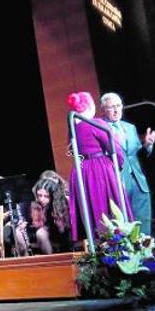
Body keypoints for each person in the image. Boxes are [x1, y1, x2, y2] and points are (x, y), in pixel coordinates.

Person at [67, 91, 133, 242]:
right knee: (109, 208)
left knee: (91, 210)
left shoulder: (72, 127)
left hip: (81, 170)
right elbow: (115, 150)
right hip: (100, 170)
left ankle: (98, 245)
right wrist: (118, 165)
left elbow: (70, 151)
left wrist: (83, 162)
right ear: (90, 106)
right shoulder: (96, 123)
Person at [101, 92, 155, 235]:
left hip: (138, 181)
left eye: (118, 106)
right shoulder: (100, 128)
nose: (116, 110)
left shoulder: (130, 127)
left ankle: (146, 253)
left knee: (143, 223)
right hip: (118, 181)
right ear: (103, 109)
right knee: (123, 224)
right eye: (111, 107)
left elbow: (137, 154)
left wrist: (147, 145)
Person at [14, 176, 71, 255]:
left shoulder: (61, 203)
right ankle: (26, 258)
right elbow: (29, 221)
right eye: (39, 195)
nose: (41, 199)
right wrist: (22, 223)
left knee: (41, 233)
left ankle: (50, 260)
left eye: (46, 196)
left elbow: (63, 228)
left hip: (58, 232)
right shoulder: (33, 203)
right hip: (37, 229)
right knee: (18, 232)